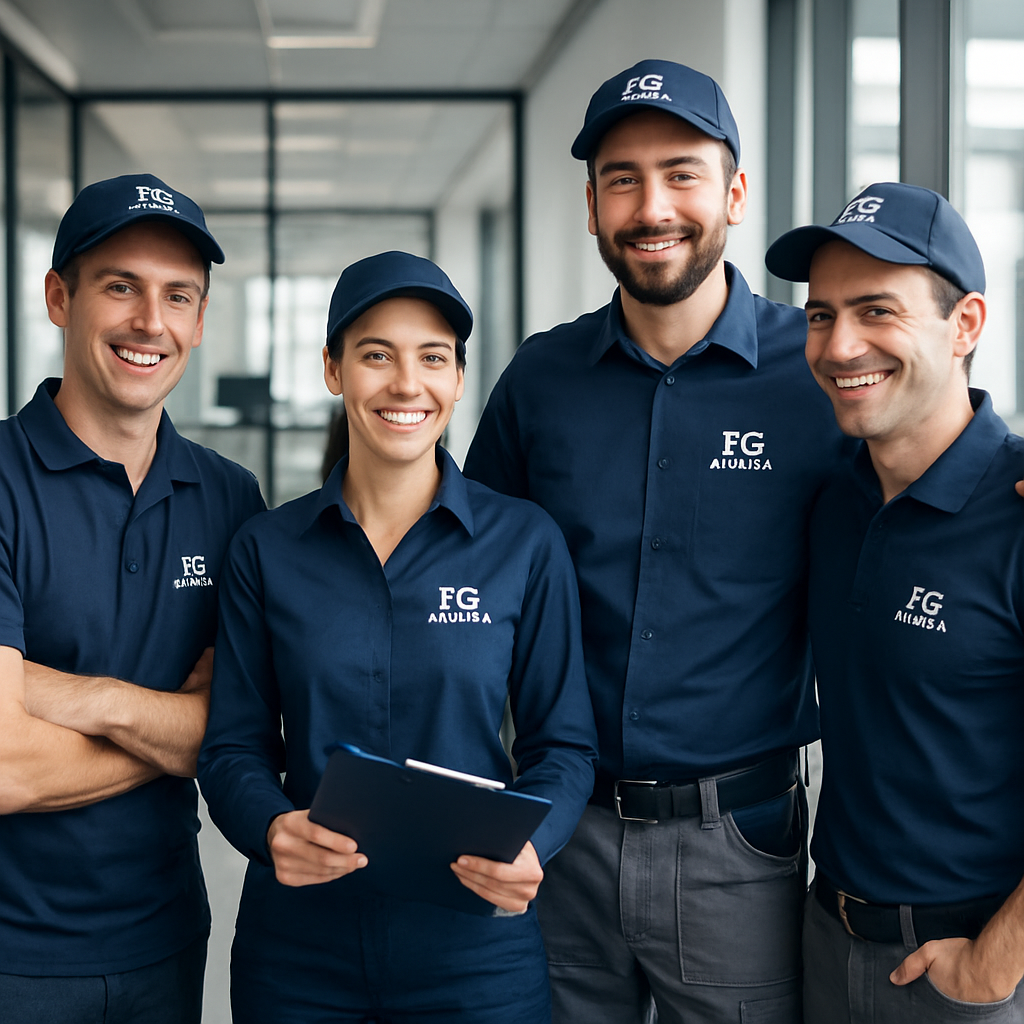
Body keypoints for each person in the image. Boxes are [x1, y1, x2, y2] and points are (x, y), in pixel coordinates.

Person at [464, 59, 847, 1024]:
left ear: (734, 193)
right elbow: (463, 579)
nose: (652, 206)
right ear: (591, 206)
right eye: (621, 179)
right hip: (557, 831)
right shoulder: (539, 381)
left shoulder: (817, 380)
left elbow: (933, 476)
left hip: (740, 846)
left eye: (681, 171)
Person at [198, 251, 598, 1023]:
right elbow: (232, 748)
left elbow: (563, 745)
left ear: (456, 379)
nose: (406, 384)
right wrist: (269, 825)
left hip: (474, 951)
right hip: (298, 948)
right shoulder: (266, 549)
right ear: (333, 370)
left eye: (433, 358)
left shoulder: (523, 543)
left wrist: (533, 843)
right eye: (376, 355)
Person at [0, 174, 265, 1022]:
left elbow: (248, 731)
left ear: (198, 319)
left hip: (167, 940)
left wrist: (79, 698)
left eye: (177, 295)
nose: (151, 322)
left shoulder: (230, 500)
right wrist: (175, 730)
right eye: (121, 287)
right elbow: (3, 765)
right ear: (57, 298)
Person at [766, 181, 1024, 1022]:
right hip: (825, 938)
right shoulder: (832, 497)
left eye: (878, 311)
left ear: (968, 326)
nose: (841, 345)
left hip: (967, 968)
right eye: (820, 314)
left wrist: (995, 963)